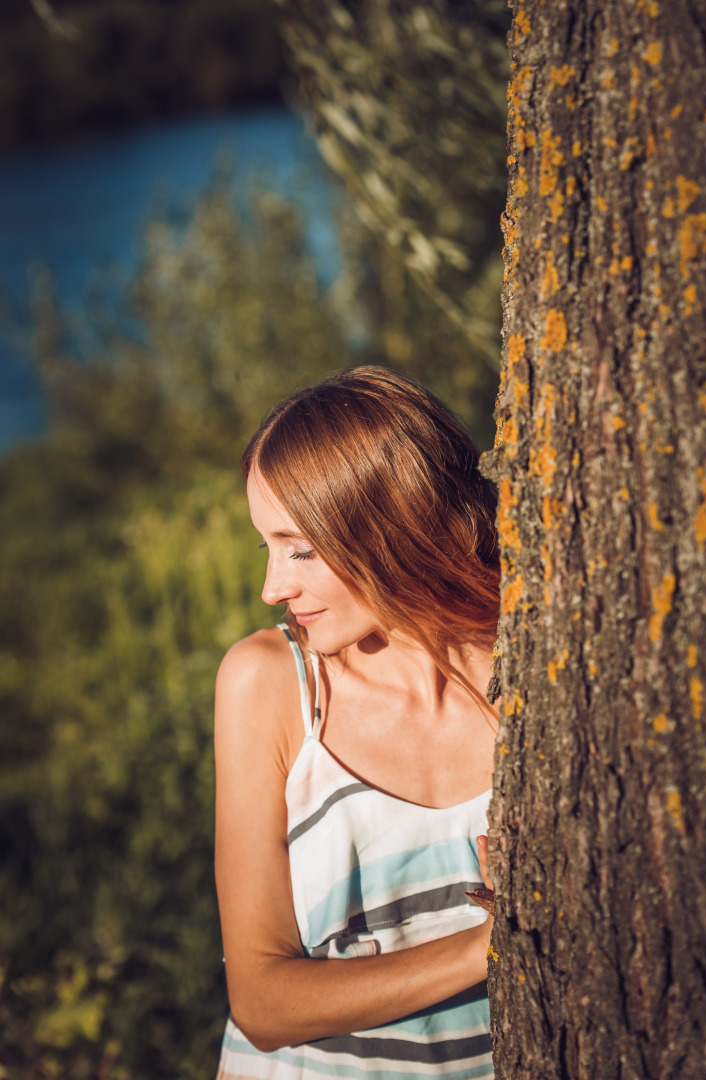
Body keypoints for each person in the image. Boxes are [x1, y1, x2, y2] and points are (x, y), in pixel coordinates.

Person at [214, 365, 501, 1080]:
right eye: (268, 546)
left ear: (395, 525)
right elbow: (263, 1001)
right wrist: (488, 946)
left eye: (301, 549)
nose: (273, 587)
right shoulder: (271, 685)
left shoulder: (537, 673)